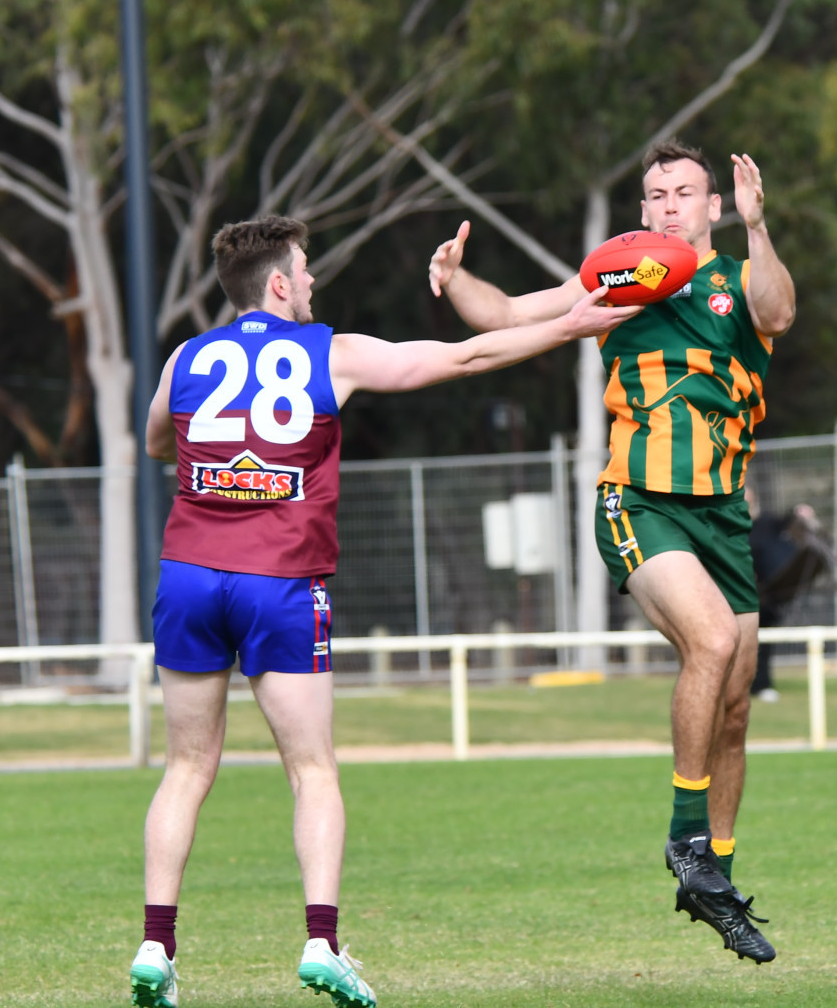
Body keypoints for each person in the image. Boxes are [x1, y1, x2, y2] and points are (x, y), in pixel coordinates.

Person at [129, 215, 634, 1008]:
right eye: (306, 267)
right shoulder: (330, 351)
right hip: (282, 580)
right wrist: (569, 324)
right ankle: (323, 940)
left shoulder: (186, 357)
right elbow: (463, 356)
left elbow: (159, 438)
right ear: (281, 283)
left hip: (190, 573)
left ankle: (156, 944)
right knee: (313, 769)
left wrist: (219, 463)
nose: (314, 280)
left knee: (186, 767)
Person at [427, 141, 793, 962]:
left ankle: (716, 881)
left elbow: (779, 314)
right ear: (642, 211)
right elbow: (505, 314)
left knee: (736, 705)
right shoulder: (614, 278)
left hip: (723, 515)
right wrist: (456, 279)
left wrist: (760, 228)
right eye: (656, 194)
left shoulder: (739, 276)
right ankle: (686, 837)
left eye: (685, 192)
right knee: (711, 640)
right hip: (638, 500)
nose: (668, 205)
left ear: (714, 207)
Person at [747, 502, 829, 701]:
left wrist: (798, 511)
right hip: (738, 592)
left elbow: (786, 519)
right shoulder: (728, 526)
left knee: (763, 643)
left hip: (764, 597)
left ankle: (761, 685)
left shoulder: (766, 524)